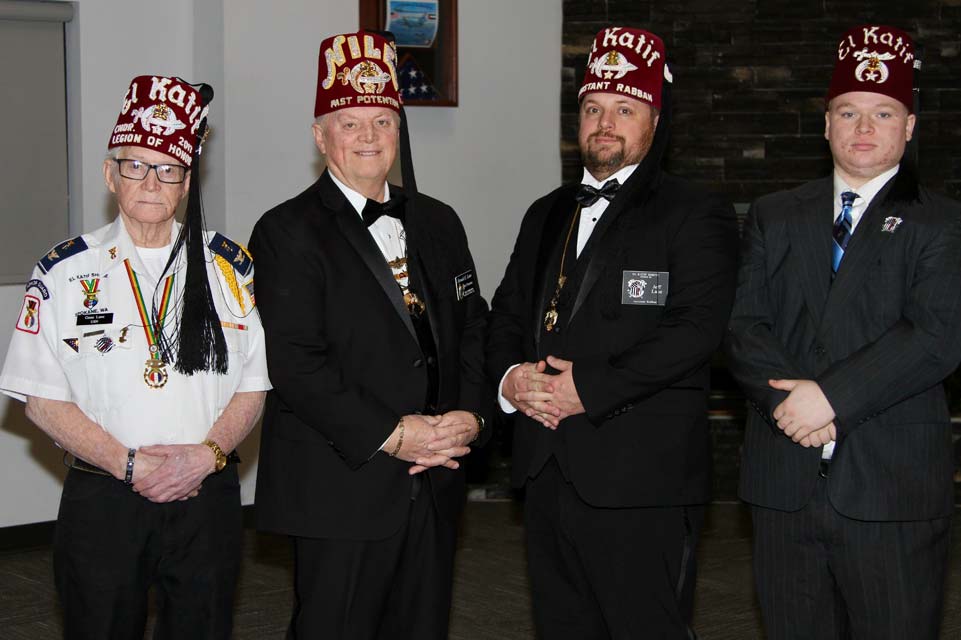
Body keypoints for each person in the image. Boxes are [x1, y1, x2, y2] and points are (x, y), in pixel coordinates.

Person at [486, 26, 737, 639]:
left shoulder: (695, 212)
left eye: (625, 109)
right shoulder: (544, 211)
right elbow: (507, 312)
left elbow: (696, 331)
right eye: (593, 109)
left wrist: (588, 389)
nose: (605, 123)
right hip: (546, 468)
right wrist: (510, 380)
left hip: (640, 476)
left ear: (654, 121)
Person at [0, 75, 270, 639]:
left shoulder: (230, 268)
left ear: (188, 181)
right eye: (136, 165)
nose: (152, 181)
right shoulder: (64, 271)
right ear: (110, 173)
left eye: (169, 168)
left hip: (206, 495)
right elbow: (41, 400)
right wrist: (128, 464)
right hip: (104, 498)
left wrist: (207, 454)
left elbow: (253, 385)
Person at [249, 30, 491, 640]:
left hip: (435, 478)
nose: (367, 137)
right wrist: (394, 434)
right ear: (319, 135)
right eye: (349, 122)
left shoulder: (439, 220)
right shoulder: (285, 232)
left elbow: (474, 328)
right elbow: (297, 364)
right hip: (342, 486)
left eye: (381, 121)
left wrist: (473, 416)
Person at [725, 24, 961, 640]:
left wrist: (830, 399)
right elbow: (743, 325)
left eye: (883, 113)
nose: (863, 127)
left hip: (891, 490)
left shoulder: (942, 224)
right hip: (785, 483)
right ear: (825, 123)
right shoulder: (775, 215)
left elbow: (935, 336)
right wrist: (789, 406)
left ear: (909, 128)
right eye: (848, 111)